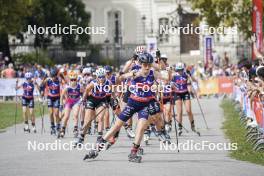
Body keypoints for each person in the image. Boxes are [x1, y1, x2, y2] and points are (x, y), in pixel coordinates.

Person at [83, 52, 170, 163]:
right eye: (145, 64)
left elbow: (167, 78)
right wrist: (129, 75)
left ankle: (133, 153)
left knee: (142, 127)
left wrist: (166, 67)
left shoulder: (153, 73)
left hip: (145, 104)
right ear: (141, 64)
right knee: (116, 126)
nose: (147, 67)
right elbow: (119, 79)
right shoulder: (135, 72)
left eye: (149, 64)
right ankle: (96, 149)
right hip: (133, 103)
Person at [171, 62, 196, 136]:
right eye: (178, 70)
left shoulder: (186, 74)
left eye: (181, 70)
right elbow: (171, 83)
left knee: (188, 110)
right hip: (177, 93)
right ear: (176, 70)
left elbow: (194, 80)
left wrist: (190, 74)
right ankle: (180, 127)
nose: (180, 71)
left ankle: (192, 124)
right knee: (179, 111)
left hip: (185, 93)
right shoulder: (174, 76)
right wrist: (172, 86)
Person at [58, 70, 83, 138]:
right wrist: (60, 104)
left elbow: (83, 93)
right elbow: (62, 95)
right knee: (66, 116)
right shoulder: (67, 87)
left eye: (74, 80)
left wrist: (83, 99)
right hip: (69, 101)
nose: (73, 81)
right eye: (71, 80)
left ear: (76, 79)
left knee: (75, 115)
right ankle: (63, 129)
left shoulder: (79, 86)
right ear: (69, 79)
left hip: (76, 101)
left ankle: (75, 129)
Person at [41, 68, 61, 135]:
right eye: (52, 76)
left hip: (57, 97)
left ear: (56, 75)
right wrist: (44, 76)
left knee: (56, 113)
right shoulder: (48, 79)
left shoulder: (59, 80)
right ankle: (52, 126)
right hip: (50, 97)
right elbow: (42, 85)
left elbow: (65, 82)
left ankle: (58, 126)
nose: (53, 78)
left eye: (54, 76)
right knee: (51, 113)